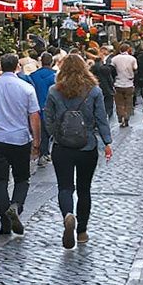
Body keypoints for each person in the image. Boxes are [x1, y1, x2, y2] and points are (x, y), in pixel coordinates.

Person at [43, 53, 112, 249]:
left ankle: (67, 214)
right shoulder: (94, 90)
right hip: (87, 145)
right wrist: (107, 142)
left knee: (65, 187)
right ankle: (81, 231)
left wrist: (56, 134)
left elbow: (47, 117)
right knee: (84, 189)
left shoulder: (54, 90)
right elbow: (101, 118)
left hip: (62, 147)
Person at [0, 53, 41, 237]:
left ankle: (4, 218)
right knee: (22, 179)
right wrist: (37, 142)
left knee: (0, 180)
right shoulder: (26, 88)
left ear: (0, 67)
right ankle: (16, 206)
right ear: (16, 67)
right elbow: (34, 116)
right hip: (20, 139)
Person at [29, 53, 58, 166]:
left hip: (36, 106)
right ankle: (44, 153)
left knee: (39, 131)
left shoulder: (33, 75)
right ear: (51, 62)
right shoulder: (55, 76)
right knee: (47, 131)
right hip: (50, 107)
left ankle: (41, 152)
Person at [112, 43, 138, 127]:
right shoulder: (132, 59)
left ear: (120, 50)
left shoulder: (114, 59)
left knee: (119, 103)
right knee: (128, 102)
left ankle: (121, 116)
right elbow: (135, 68)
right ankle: (126, 116)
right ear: (128, 50)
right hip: (129, 83)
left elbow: (112, 69)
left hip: (118, 83)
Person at [90, 49, 116, 121]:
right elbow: (110, 79)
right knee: (108, 102)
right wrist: (112, 86)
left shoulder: (93, 68)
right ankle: (108, 114)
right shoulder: (105, 68)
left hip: (97, 86)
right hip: (107, 88)